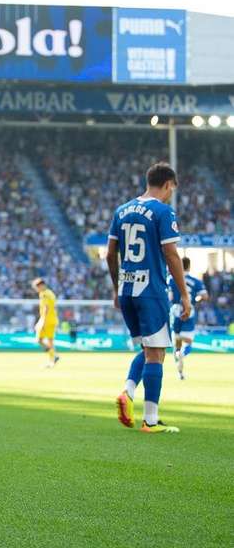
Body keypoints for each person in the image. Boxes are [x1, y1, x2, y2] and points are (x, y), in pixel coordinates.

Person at [107, 162, 189, 434]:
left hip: (127, 290)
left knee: (148, 350)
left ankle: (128, 392)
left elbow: (110, 254)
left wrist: (117, 286)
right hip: (151, 291)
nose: (171, 195)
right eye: (172, 190)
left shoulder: (121, 210)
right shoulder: (163, 211)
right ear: (168, 185)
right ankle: (150, 420)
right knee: (156, 354)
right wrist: (185, 294)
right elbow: (171, 254)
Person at [168, 256, 208, 380]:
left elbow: (169, 297)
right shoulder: (196, 281)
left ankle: (180, 373)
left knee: (177, 343)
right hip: (188, 310)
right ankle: (182, 354)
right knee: (188, 343)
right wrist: (195, 300)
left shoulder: (171, 279)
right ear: (189, 266)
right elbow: (205, 296)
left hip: (175, 311)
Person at [31, 278, 59, 368]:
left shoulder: (44, 294)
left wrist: (41, 321)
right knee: (46, 340)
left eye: (36, 287)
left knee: (41, 340)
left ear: (41, 285)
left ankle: (53, 356)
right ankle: (53, 357)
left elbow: (46, 308)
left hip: (47, 320)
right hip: (52, 319)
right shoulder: (50, 293)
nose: (36, 290)